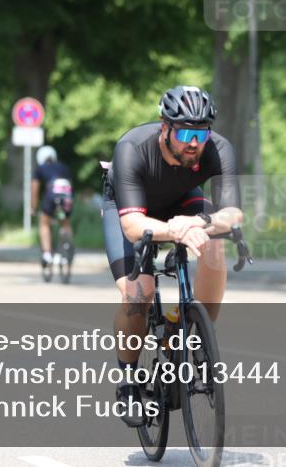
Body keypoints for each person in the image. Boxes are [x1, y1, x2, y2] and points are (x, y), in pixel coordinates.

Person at [101, 85, 242, 427]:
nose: (194, 142)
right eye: (184, 133)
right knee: (139, 295)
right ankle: (130, 381)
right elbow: (134, 226)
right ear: (165, 128)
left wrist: (201, 222)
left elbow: (233, 213)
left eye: (201, 133)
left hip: (181, 201)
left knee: (215, 242)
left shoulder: (218, 148)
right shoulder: (132, 148)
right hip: (128, 206)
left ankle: (191, 324)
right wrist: (177, 230)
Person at [31, 145, 74, 272]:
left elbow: (35, 189)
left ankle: (47, 254)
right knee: (65, 222)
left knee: (44, 223)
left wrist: (33, 207)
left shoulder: (40, 169)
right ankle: (68, 247)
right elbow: (71, 187)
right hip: (66, 195)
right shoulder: (64, 167)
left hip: (51, 195)